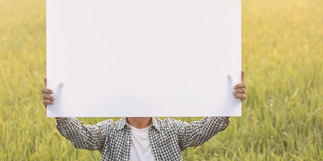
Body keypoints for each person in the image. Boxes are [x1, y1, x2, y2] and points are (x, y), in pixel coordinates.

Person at [42, 70, 247, 161]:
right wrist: (59, 112)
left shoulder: (171, 130)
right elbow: (83, 137)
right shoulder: (109, 132)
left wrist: (228, 104)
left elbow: (202, 130)